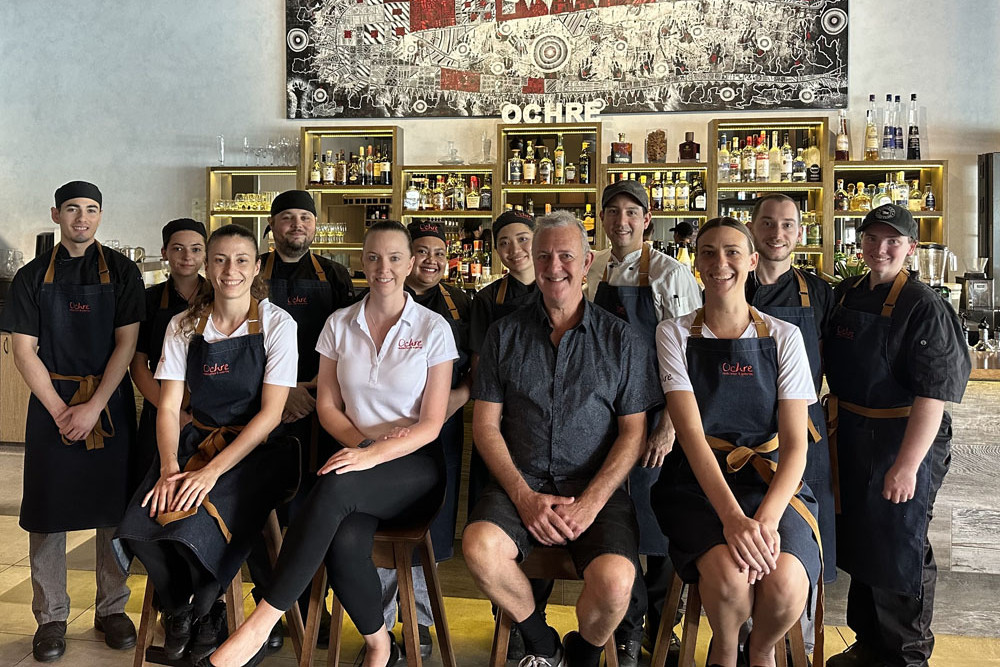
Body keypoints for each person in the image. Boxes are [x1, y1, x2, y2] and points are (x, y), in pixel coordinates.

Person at [206, 220, 457, 667]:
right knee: (342, 541)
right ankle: (381, 644)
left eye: (395, 257)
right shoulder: (338, 325)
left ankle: (259, 623)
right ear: (362, 261)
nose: (384, 267)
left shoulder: (434, 327)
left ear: (411, 262)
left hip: (415, 466)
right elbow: (327, 408)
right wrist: (361, 446)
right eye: (375, 257)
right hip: (354, 459)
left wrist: (375, 453)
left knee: (334, 485)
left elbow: (432, 423)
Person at [464, 210, 662, 667]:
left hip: (596, 489)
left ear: (587, 260)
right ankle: (541, 640)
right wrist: (524, 496)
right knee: (478, 547)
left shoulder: (622, 341)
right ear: (532, 260)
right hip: (523, 484)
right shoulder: (503, 335)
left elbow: (633, 433)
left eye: (566, 256)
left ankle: (584, 654)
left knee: (616, 581)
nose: (555, 267)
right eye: (545, 256)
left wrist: (591, 502)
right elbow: (485, 425)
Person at [115, 224, 300, 662]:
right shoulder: (183, 326)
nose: (229, 269)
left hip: (258, 451)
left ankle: (206, 609)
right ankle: (185, 610)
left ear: (256, 268)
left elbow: (271, 414)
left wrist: (211, 471)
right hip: (194, 440)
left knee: (193, 529)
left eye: (240, 260)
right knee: (138, 526)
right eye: (219, 259)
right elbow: (167, 407)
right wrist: (167, 467)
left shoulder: (277, 324)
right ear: (207, 265)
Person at [652, 217, 822, 667]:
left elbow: (795, 444)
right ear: (696, 263)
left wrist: (764, 521)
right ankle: (725, 649)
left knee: (786, 582)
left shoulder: (785, 336)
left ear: (751, 261)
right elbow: (689, 436)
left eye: (731, 252)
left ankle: (761, 649)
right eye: (707, 252)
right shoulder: (674, 334)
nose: (719, 262)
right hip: (697, 485)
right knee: (728, 581)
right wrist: (732, 519)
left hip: (772, 485)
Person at [0, 181, 144, 662]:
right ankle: (52, 616)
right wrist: (61, 410)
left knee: (113, 510)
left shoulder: (123, 272)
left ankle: (112, 609)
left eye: (92, 209)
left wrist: (93, 406)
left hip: (108, 401)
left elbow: (126, 345)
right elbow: (24, 351)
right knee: (47, 511)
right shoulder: (30, 276)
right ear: (56, 214)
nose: (82, 217)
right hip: (50, 404)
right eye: (72, 209)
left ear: (101, 216)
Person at [823, 204, 970, 667]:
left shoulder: (925, 306)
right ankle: (870, 646)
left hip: (903, 440)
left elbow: (933, 397)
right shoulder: (845, 294)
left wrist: (906, 466)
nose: (880, 248)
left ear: (910, 247)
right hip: (851, 434)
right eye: (872, 237)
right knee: (863, 541)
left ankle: (907, 655)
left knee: (899, 545)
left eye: (893, 240)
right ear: (859, 242)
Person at [586, 180, 701, 666]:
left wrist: (671, 425)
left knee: (655, 526)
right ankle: (624, 632)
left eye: (632, 212)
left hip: (656, 416)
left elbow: (691, 353)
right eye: (612, 212)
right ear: (602, 219)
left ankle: (662, 630)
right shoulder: (591, 269)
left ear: (648, 218)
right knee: (616, 523)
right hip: (603, 416)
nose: (622, 221)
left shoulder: (670, 274)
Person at [254, 189, 356, 646]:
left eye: (305, 218)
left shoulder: (334, 274)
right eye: (287, 218)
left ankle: (317, 605)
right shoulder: (253, 270)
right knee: (266, 508)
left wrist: (315, 391)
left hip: (322, 407)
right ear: (273, 224)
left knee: (317, 509)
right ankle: (270, 605)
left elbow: (347, 342)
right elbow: (242, 334)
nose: (297, 225)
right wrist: (282, 391)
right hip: (266, 406)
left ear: (314, 225)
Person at [374, 220, 472, 658]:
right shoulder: (377, 304)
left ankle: (420, 620)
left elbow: (479, 369)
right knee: (381, 527)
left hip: (440, 431)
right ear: (408, 258)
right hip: (381, 431)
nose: (431, 260)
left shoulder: (463, 305)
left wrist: (450, 404)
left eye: (439, 252)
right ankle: (380, 622)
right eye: (422, 251)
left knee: (424, 526)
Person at [746, 194, 837, 650]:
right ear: (752, 227)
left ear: (799, 233)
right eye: (767, 223)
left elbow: (837, 365)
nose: (776, 233)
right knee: (746, 544)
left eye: (786, 225)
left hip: (802, 436)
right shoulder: (729, 284)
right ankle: (748, 643)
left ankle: (797, 644)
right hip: (739, 437)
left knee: (800, 546)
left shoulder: (818, 292)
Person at [130, 218, 207, 493]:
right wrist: (171, 410)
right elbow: (138, 365)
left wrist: (193, 412)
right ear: (164, 252)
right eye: (178, 249)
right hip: (159, 405)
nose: (188, 256)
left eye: (196, 249)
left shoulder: (218, 296)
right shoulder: (148, 300)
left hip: (209, 410)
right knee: (152, 488)